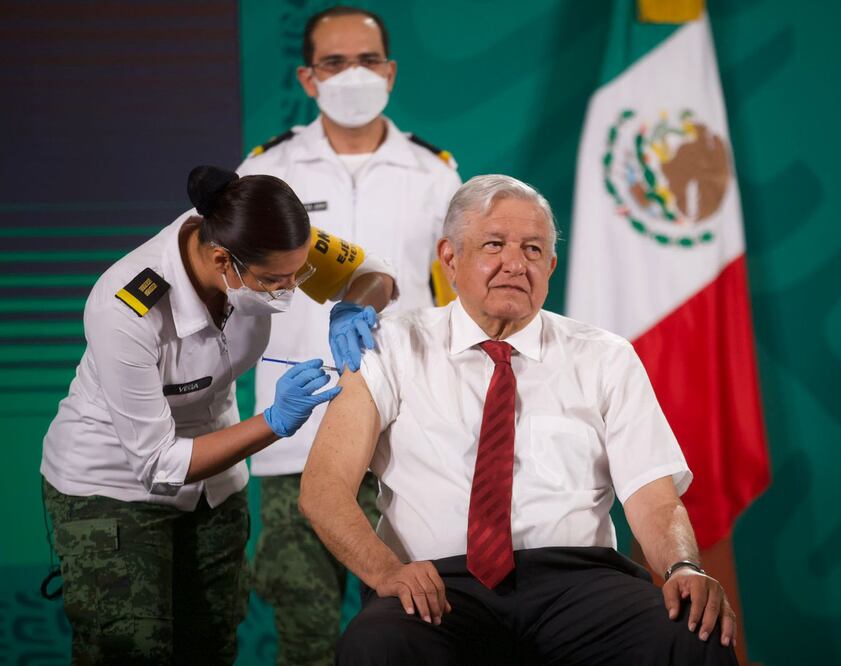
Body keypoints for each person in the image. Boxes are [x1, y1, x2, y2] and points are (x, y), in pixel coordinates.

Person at [300, 175, 741, 665]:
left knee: (690, 635)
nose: (515, 264)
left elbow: (655, 500)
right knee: (379, 645)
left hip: (580, 584)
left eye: (533, 250)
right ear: (450, 258)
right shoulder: (389, 346)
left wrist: (684, 566)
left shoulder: (606, 357)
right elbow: (324, 488)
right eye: (494, 245)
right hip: (438, 586)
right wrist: (386, 573)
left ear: (550, 266)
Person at [40, 166, 394, 665]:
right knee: (130, 651)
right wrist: (273, 421)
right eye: (274, 281)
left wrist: (354, 306)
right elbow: (158, 464)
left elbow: (375, 274)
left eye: (299, 276)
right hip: (112, 485)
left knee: (211, 645)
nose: (290, 291)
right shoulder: (126, 308)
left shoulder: (270, 234)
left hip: (215, 485)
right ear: (223, 260)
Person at [236, 6, 462, 662]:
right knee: (305, 635)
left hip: (409, 438)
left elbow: (453, 303)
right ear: (308, 79)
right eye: (334, 63)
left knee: (418, 625)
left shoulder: (436, 174)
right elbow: (233, 286)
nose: (353, 75)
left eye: (367, 61)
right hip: (296, 433)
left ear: (390, 72)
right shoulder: (268, 171)